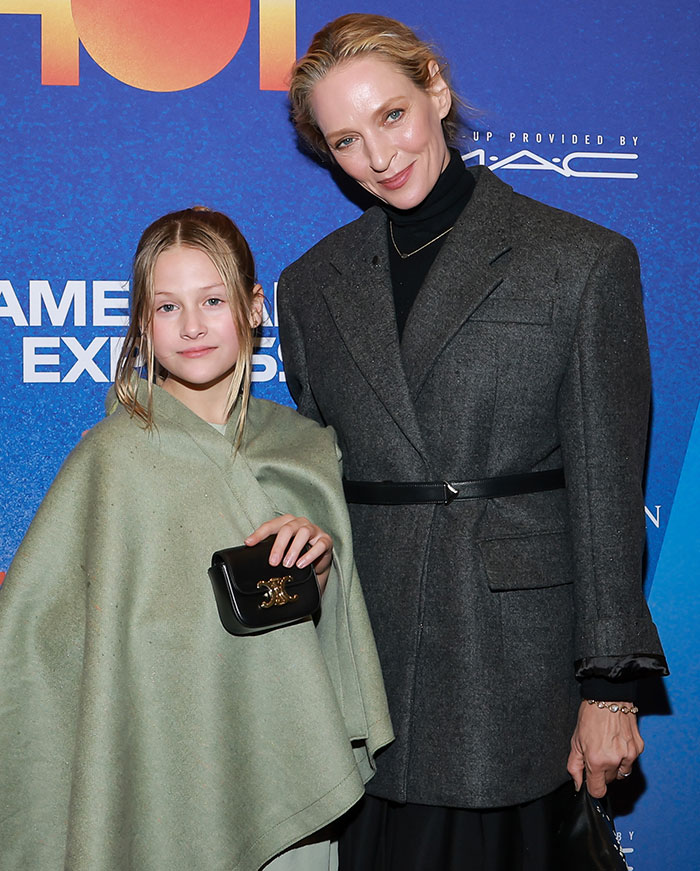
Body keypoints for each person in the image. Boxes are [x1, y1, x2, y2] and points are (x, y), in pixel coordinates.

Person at [277, 14, 668, 870]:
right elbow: (311, 476)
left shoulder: (579, 261)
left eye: (391, 115)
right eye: (346, 140)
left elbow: (607, 492)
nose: (379, 156)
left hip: (514, 661)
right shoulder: (309, 285)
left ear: (437, 91)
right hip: (368, 663)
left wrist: (610, 687)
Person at [0, 207, 393, 871]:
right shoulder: (113, 457)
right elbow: (37, 643)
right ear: (142, 324)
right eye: (166, 306)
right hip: (154, 772)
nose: (191, 326)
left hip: (285, 766)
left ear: (255, 306)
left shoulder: (306, 449)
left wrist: (317, 568)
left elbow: (334, 647)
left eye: (212, 300)